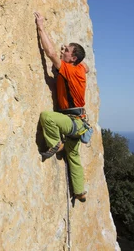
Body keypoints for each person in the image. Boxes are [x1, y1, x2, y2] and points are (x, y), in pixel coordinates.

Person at [34, 11, 89, 202]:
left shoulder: (70, 71)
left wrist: (41, 27)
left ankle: (55, 143)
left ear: (73, 59)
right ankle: (80, 191)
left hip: (71, 121)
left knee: (47, 117)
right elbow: (86, 67)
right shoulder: (81, 68)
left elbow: (49, 53)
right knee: (73, 157)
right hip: (78, 123)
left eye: (66, 51)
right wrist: (72, 53)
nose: (62, 50)